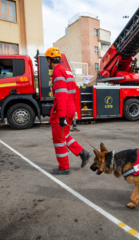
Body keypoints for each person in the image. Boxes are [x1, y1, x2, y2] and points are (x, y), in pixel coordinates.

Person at [45, 47, 91, 175]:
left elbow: (61, 94)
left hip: (62, 110)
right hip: (69, 109)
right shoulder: (67, 72)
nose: (47, 63)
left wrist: (60, 116)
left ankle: (64, 168)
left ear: (49, 60)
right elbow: (74, 93)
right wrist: (74, 111)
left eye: (47, 60)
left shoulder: (57, 72)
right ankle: (83, 153)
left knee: (59, 140)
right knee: (64, 136)